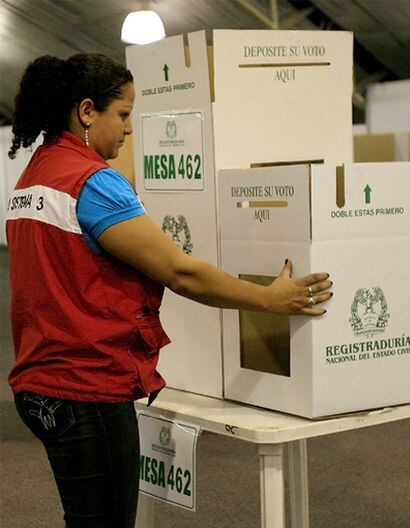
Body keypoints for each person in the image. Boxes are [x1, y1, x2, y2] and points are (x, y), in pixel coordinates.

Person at [6, 53, 333, 528]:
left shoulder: (35, 174)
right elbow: (180, 272)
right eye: (122, 114)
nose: (129, 130)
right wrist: (269, 298)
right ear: (86, 111)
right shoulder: (93, 184)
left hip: (41, 381)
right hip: (86, 388)